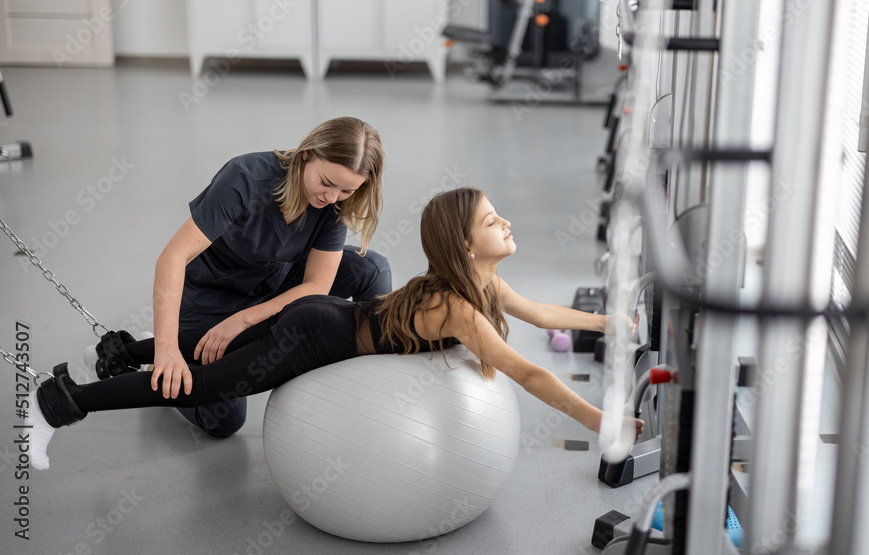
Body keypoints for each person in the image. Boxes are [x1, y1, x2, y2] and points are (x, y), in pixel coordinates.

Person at [28, 187, 643, 470]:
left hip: (326, 319)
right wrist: (600, 422)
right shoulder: (461, 305)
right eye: (492, 219)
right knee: (201, 386)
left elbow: (542, 314)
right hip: (317, 337)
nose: (505, 222)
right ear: (465, 244)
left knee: (220, 351)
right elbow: (529, 370)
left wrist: (606, 321)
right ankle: (64, 401)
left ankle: (119, 351)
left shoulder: (480, 285)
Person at [85, 117, 389, 438]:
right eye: (326, 182)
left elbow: (316, 286)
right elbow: (172, 258)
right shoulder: (245, 178)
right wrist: (166, 349)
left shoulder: (337, 201)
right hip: (211, 296)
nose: (332, 196)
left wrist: (245, 320)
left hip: (273, 285)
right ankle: (154, 357)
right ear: (306, 155)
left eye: (346, 189)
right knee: (224, 419)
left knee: (371, 269)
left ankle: (373, 376)